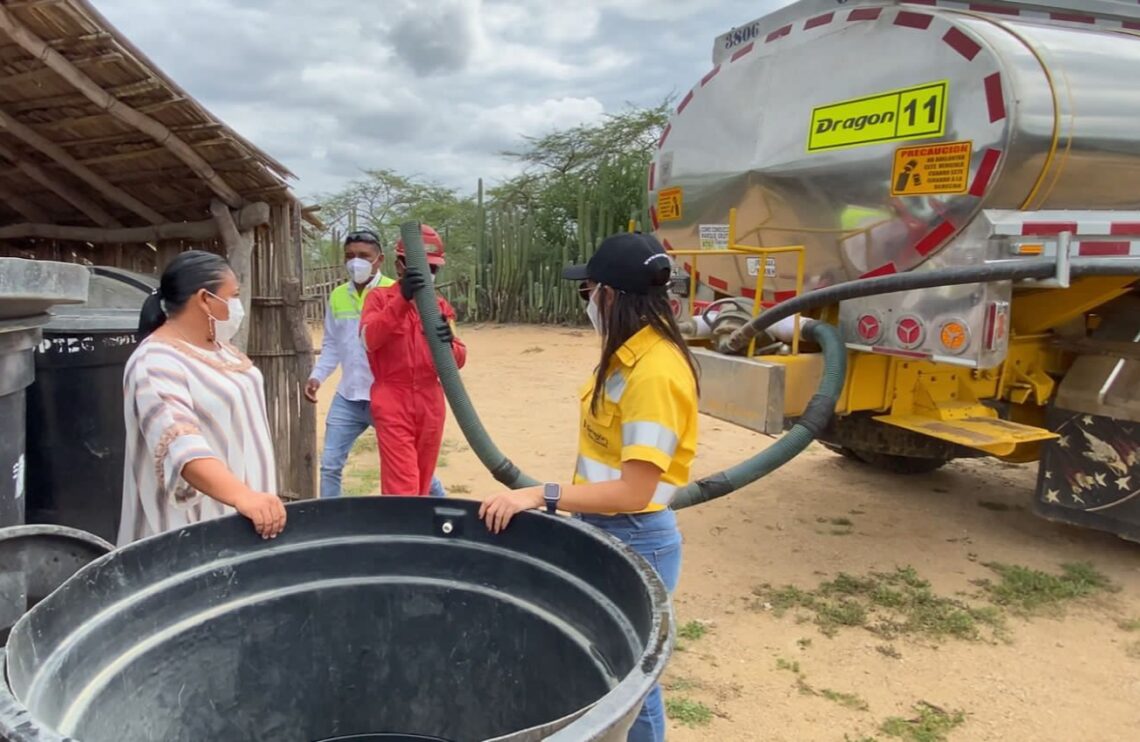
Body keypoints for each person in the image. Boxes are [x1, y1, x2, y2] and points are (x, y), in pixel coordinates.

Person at [477, 232, 699, 742]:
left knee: (632, 684)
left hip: (636, 534)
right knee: (615, 672)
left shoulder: (656, 374)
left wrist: (539, 495)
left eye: (589, 290)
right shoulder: (627, 357)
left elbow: (634, 492)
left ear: (612, 296)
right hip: (604, 527)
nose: (587, 301)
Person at [119, 250, 286, 546]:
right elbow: (182, 447)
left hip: (241, 522)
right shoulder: (155, 362)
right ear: (205, 299)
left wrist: (253, 497)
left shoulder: (222, 349)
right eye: (232, 296)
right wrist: (243, 495)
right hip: (188, 536)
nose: (237, 305)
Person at [305, 229, 445, 498]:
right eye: (349, 256)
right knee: (330, 465)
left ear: (379, 260)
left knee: (410, 468)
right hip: (349, 395)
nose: (355, 262)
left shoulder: (400, 291)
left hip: (389, 397)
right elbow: (334, 344)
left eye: (363, 256)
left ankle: (440, 507)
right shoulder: (337, 296)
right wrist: (317, 376)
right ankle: (331, 522)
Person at [360, 224, 467, 496]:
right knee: (402, 487)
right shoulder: (379, 299)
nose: (427, 274)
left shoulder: (441, 307)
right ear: (400, 265)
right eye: (421, 268)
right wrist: (402, 301)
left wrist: (447, 343)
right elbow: (369, 340)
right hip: (393, 399)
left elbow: (459, 358)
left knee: (422, 483)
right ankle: (399, 535)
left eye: (433, 269)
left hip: (431, 402)